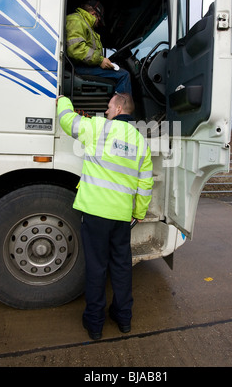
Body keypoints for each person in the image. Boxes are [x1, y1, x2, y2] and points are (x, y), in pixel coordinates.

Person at [57, 92, 153, 340]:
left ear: (120, 107)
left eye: (109, 106)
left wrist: (63, 101)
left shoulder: (99, 127)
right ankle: (123, 319)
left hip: (96, 212)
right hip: (122, 216)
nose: (106, 110)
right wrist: (139, 212)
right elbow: (145, 184)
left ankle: (95, 323)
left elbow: (69, 122)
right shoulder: (141, 141)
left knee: (97, 267)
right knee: (121, 267)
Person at [66, 0, 132, 95]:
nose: (98, 23)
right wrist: (100, 60)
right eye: (99, 20)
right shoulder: (76, 20)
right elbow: (76, 49)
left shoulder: (85, 24)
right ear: (94, 13)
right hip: (79, 67)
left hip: (84, 65)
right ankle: (120, 107)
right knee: (123, 75)